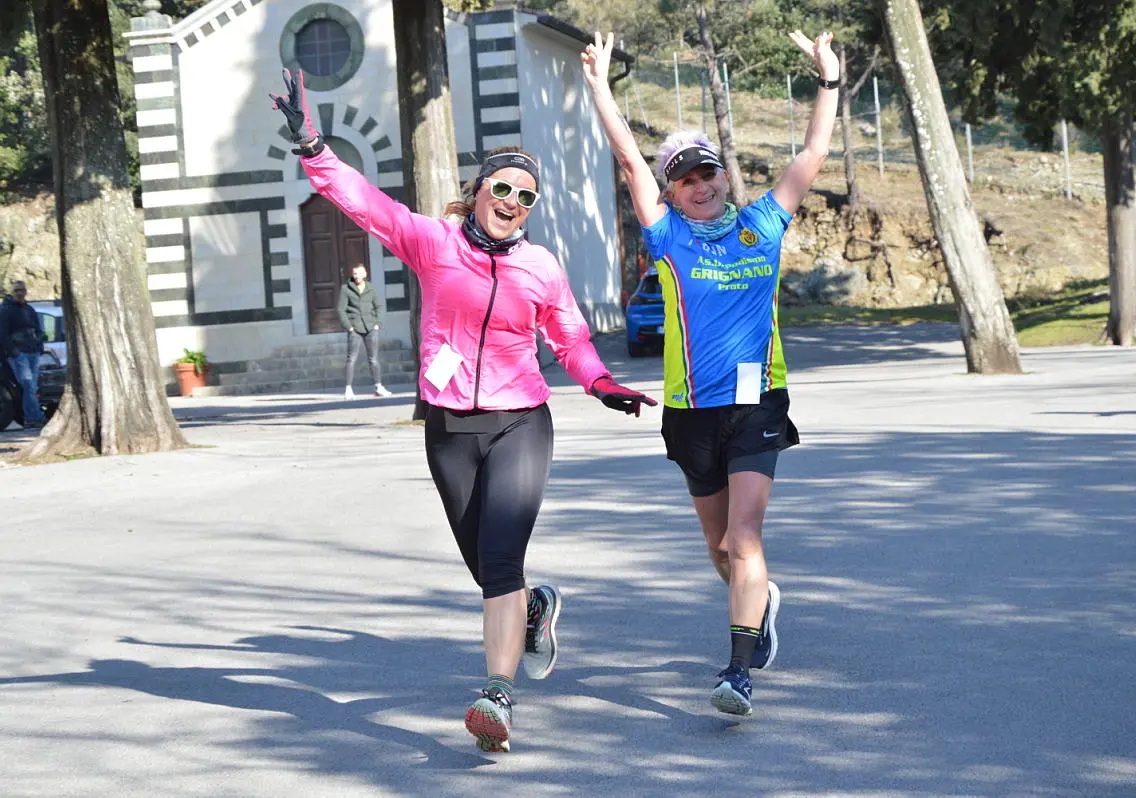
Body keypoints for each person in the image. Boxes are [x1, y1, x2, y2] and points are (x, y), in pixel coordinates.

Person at [270, 70, 656, 752]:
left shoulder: (540, 267)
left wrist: (601, 385)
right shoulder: (432, 242)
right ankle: (534, 610)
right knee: (485, 567)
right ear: (479, 190)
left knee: (500, 562)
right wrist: (312, 147)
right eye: (502, 187)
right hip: (448, 428)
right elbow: (363, 204)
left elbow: (569, 338)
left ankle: (497, 696)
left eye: (524, 196)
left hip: (519, 422)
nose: (511, 201)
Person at [582, 30, 839, 716]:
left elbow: (812, 155)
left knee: (745, 538)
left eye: (708, 174)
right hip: (690, 411)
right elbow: (629, 162)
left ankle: (737, 669)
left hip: (756, 398)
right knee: (721, 549)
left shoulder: (762, 223)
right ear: (673, 189)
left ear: (725, 177)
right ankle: (760, 602)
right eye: (685, 179)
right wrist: (601, 88)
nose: (699, 186)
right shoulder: (666, 237)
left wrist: (829, 81)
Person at [337, 263, 390, 399]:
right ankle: (348, 389)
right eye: (355, 273)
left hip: (370, 327)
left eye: (359, 273)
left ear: (365, 274)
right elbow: (341, 309)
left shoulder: (371, 289)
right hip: (355, 328)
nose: (357, 276)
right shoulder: (346, 289)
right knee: (351, 359)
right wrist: (349, 326)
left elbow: (379, 306)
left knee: (373, 359)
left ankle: (379, 387)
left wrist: (378, 324)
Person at [0, 280, 47, 428]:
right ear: (12, 292)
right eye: (16, 291)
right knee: (28, 384)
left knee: (32, 386)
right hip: (19, 354)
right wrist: (14, 352)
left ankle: (31, 416)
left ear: (26, 292)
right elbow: (2, 334)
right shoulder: (5, 310)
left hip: (33, 353)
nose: (20, 293)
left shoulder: (29, 309)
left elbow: (38, 330)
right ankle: (34, 417)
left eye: (22, 290)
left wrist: (39, 345)